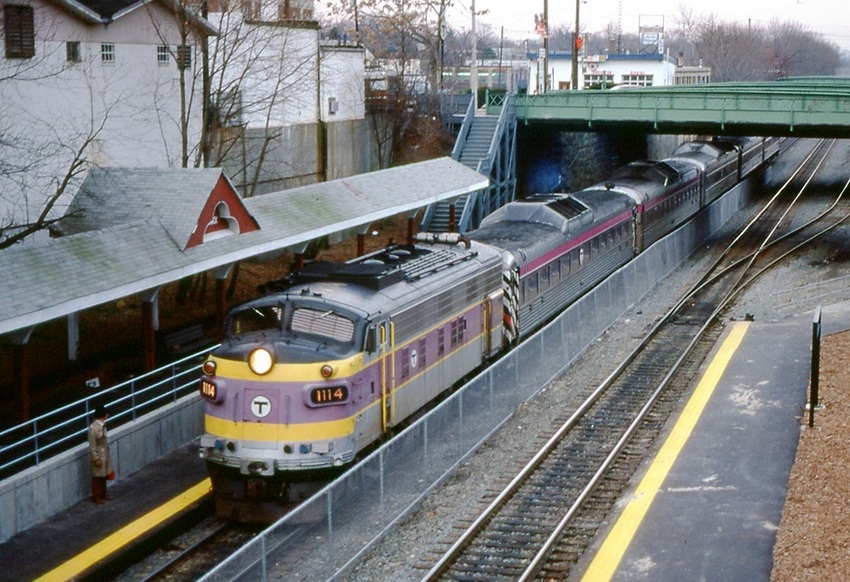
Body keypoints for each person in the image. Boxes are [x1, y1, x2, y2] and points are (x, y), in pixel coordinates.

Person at [88, 405, 114, 504]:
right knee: (97, 477)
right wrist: (96, 458)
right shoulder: (93, 428)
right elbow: (93, 445)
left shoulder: (103, 425)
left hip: (105, 454)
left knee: (104, 475)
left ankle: (103, 493)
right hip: (99, 455)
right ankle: (97, 496)